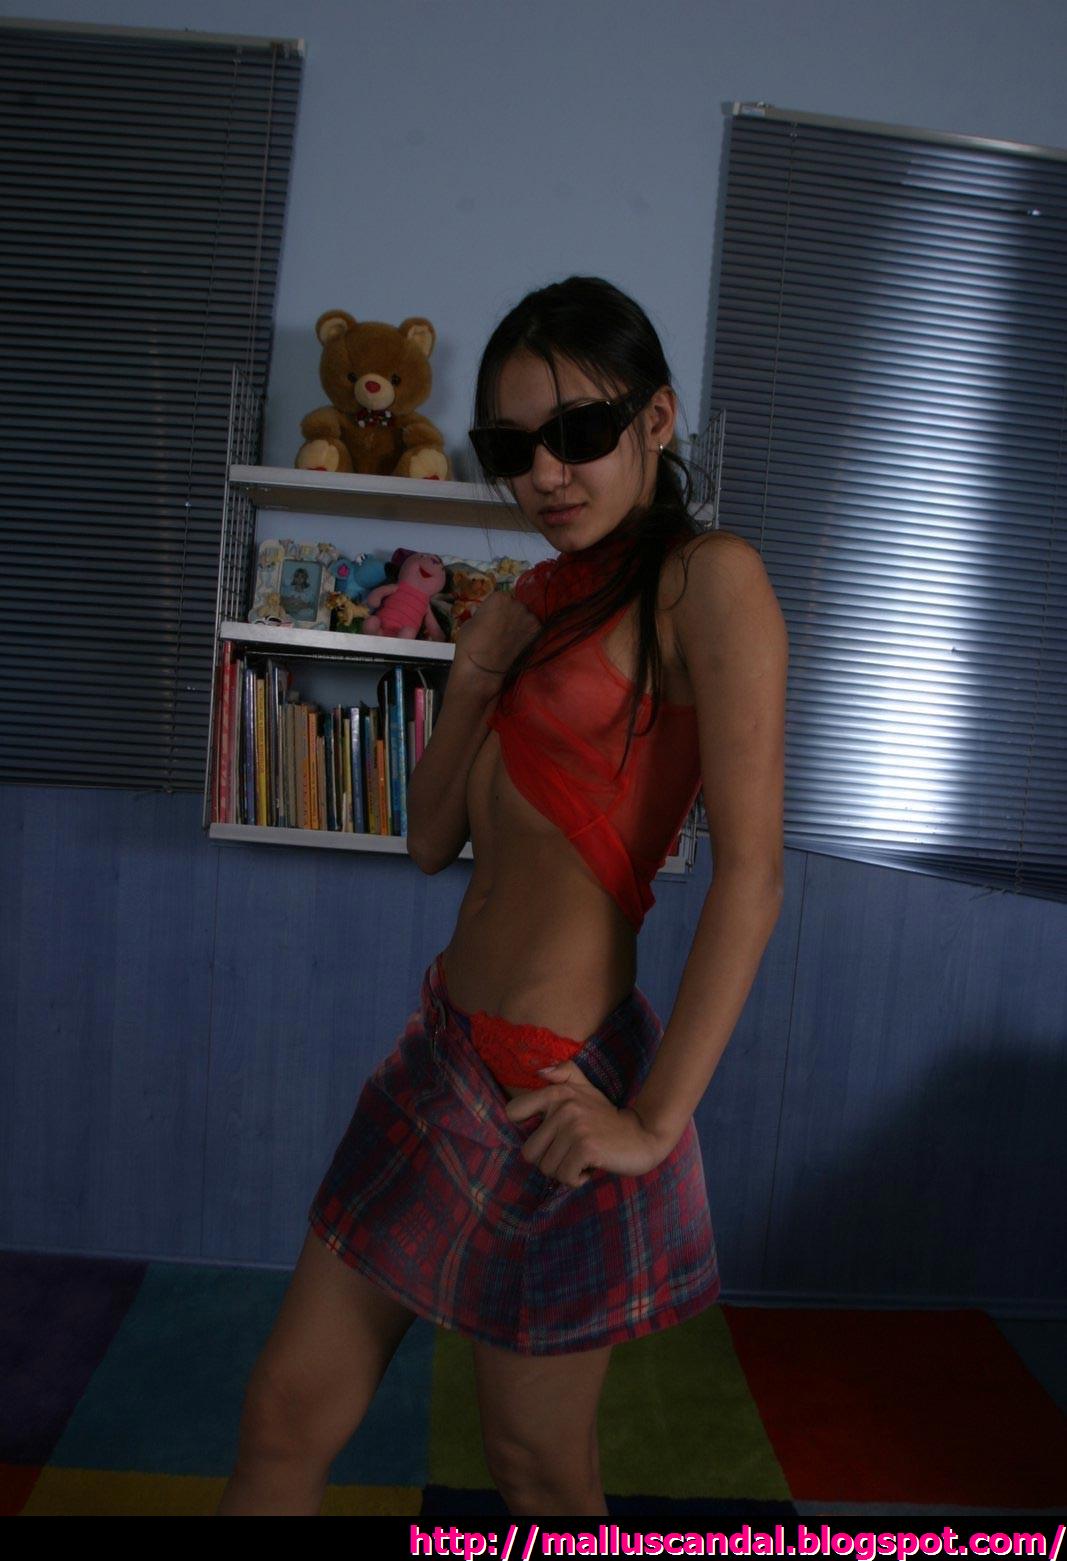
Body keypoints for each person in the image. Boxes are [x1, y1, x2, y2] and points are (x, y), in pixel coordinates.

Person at [216, 276, 788, 1518]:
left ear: (656, 420)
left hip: (548, 1092)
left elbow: (752, 872)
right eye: (512, 448)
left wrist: (651, 1121)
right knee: (280, 1417)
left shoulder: (707, 579)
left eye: (578, 431)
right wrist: (470, 673)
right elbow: (431, 840)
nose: (546, 475)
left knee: (537, 1472)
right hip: (438, 1057)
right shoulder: (534, 603)